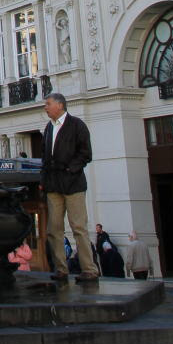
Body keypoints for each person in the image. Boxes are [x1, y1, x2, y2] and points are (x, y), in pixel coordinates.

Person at [41, 92, 97, 282]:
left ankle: (89, 269)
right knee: (54, 228)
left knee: (78, 227)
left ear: (60, 105)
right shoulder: (48, 128)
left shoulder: (77, 125)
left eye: (48, 104)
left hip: (73, 184)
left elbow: (85, 153)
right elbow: (45, 158)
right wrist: (45, 181)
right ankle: (61, 268)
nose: (45, 107)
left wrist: (70, 169)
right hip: (54, 185)